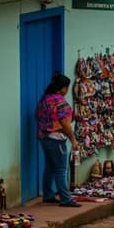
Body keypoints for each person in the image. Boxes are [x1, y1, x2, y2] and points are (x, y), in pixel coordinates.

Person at [35, 73, 80, 207]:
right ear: (63, 88)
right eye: (67, 87)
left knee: (49, 168)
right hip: (56, 139)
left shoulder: (45, 99)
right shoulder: (60, 101)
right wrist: (73, 140)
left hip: (45, 138)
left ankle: (48, 194)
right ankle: (65, 198)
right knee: (61, 170)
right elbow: (64, 123)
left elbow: (39, 116)